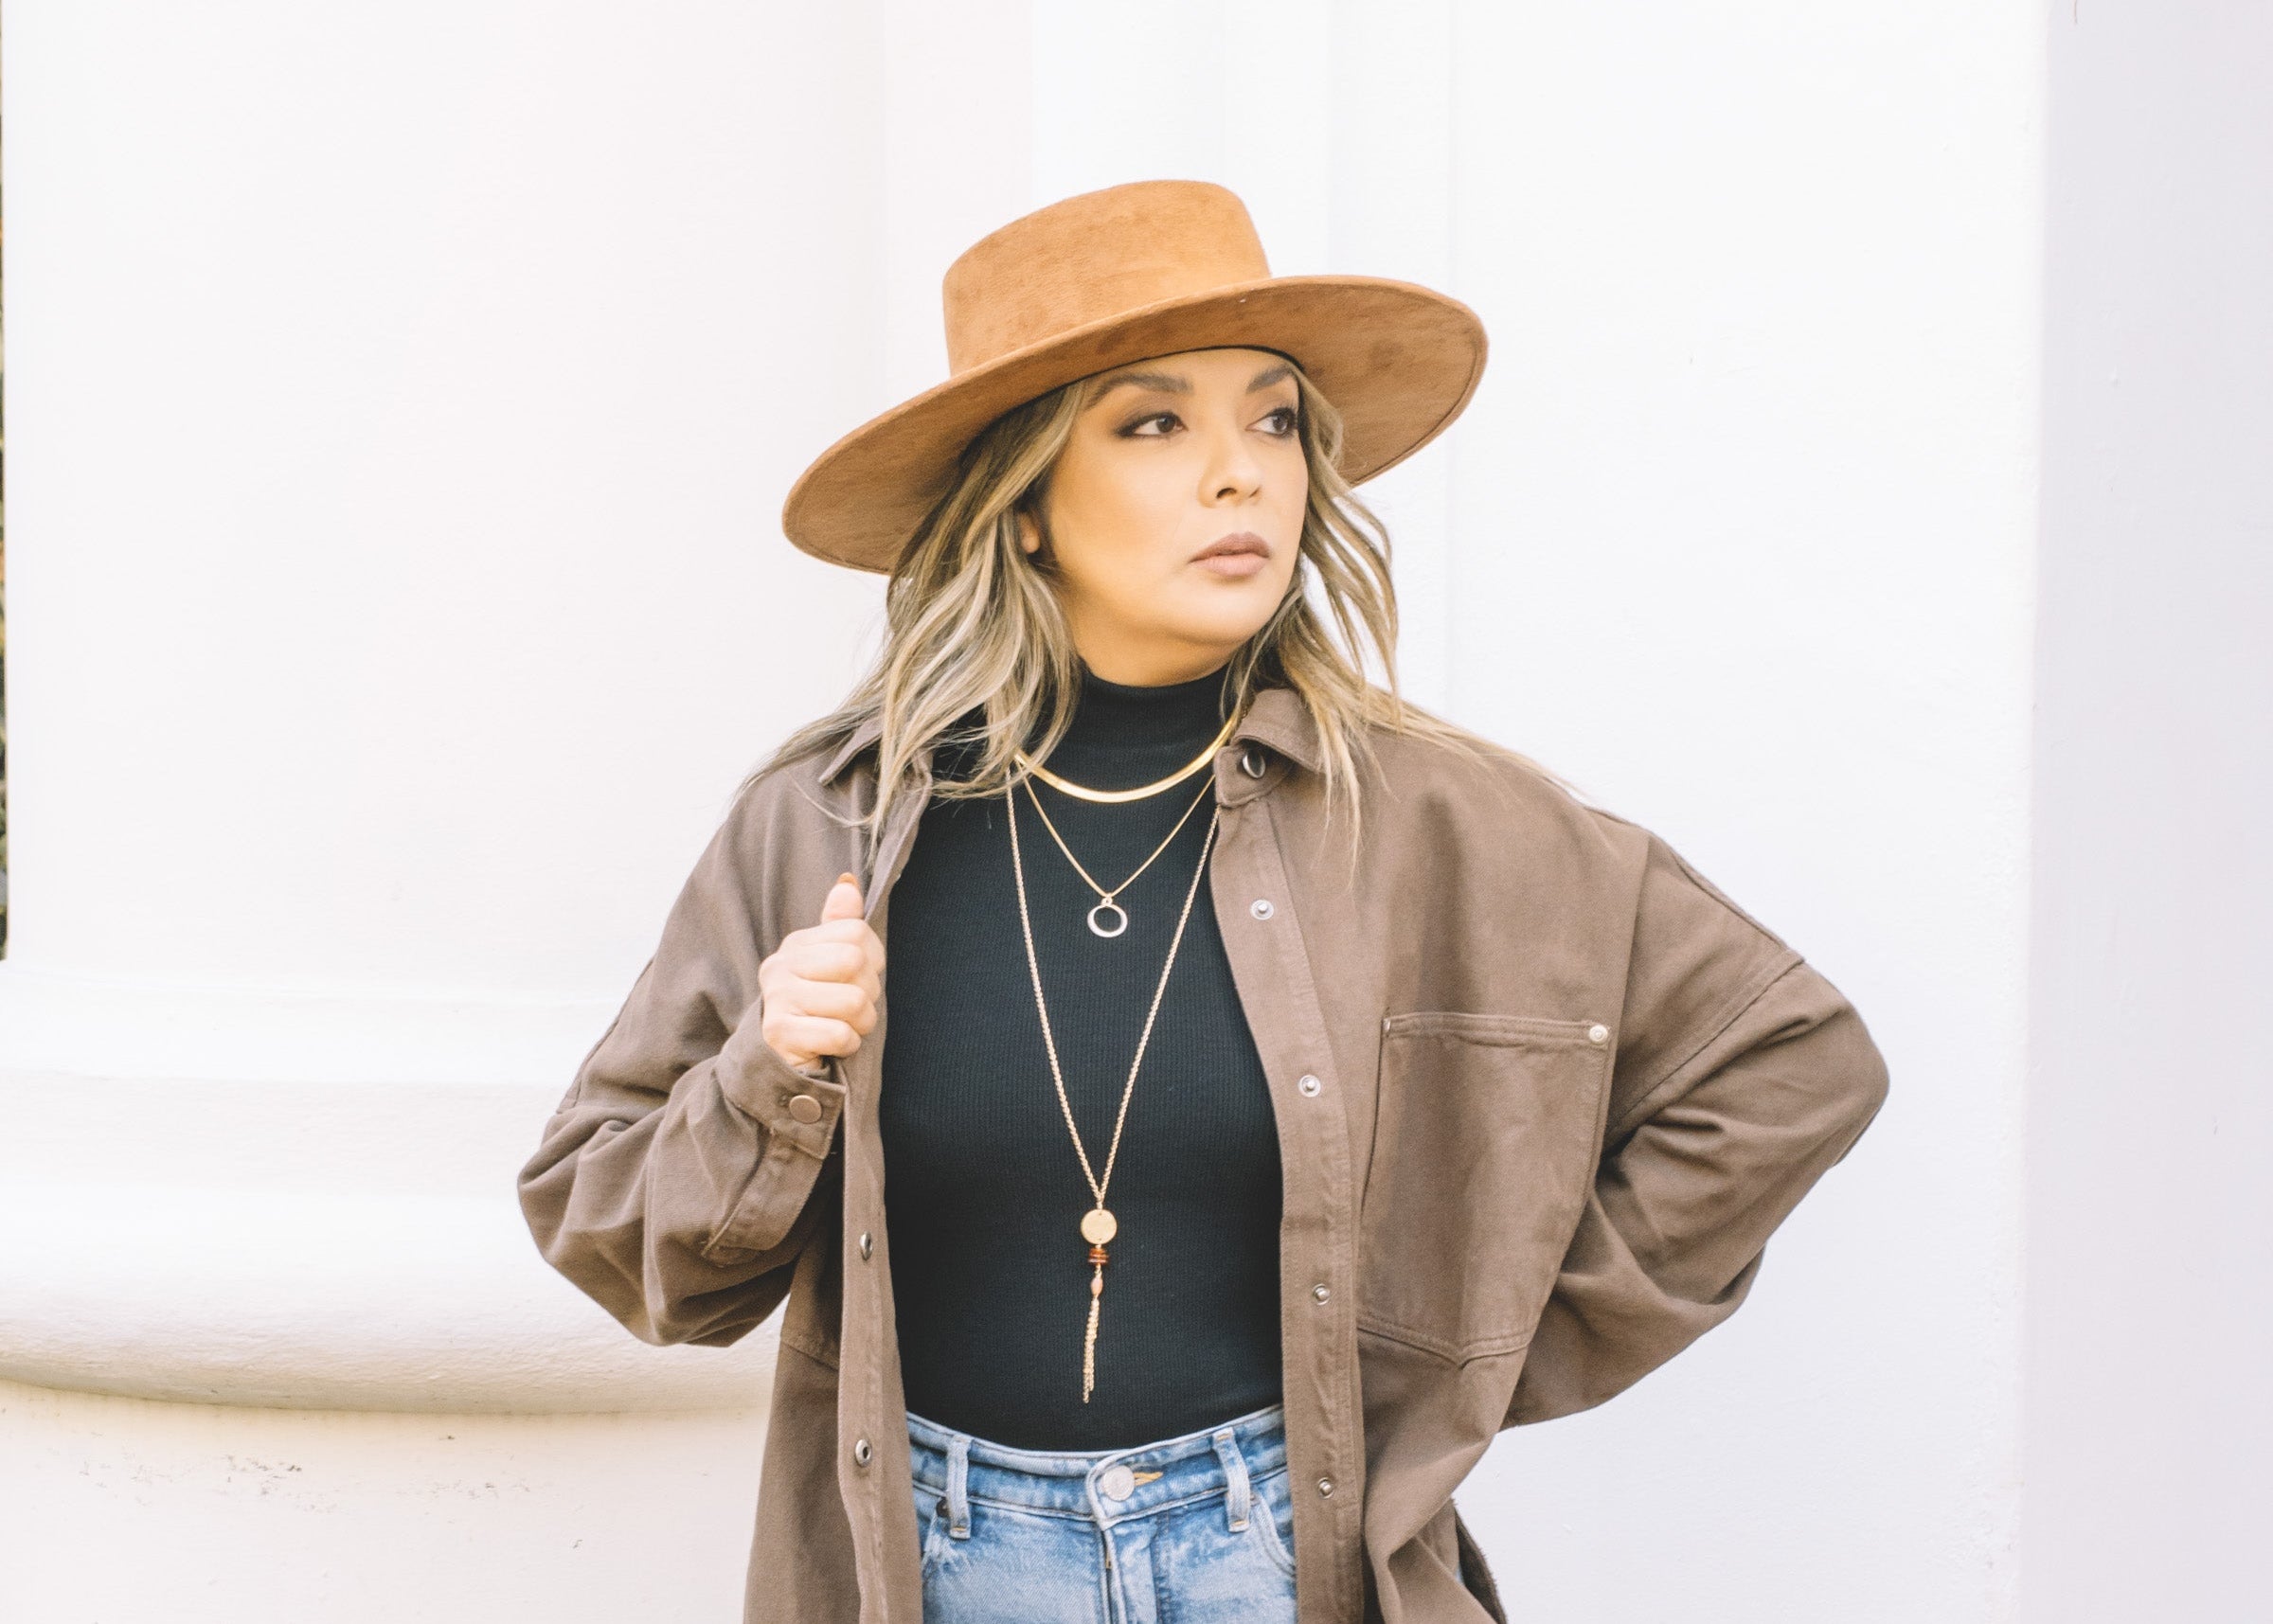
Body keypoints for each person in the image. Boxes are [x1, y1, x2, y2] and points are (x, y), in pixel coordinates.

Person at [517, 179, 1889, 1624]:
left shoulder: (1439, 818)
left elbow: (1789, 1060)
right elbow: (618, 1243)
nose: (1243, 474)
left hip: (1280, 1564)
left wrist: (1466, 1356)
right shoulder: (829, 824)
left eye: (1276, 419)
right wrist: (766, 1076)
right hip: (935, 1563)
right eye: (1154, 422)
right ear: (1024, 503)